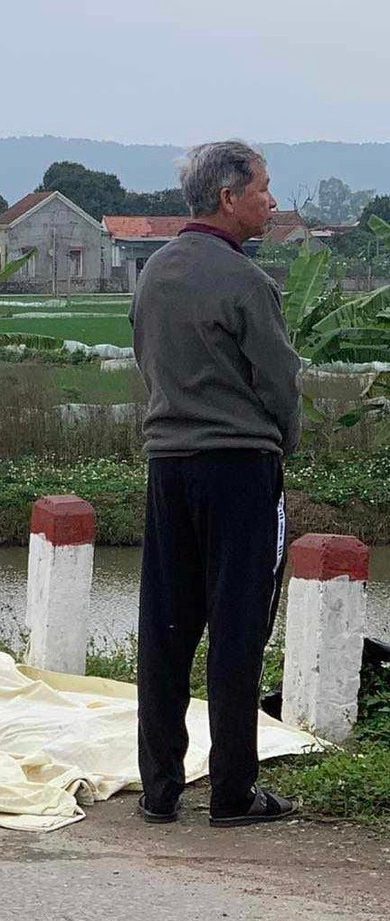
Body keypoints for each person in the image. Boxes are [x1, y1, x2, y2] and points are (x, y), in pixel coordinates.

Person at [131, 140, 302, 828]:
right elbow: (279, 381)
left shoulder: (155, 273)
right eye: (262, 187)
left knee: (166, 627)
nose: (271, 198)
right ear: (229, 197)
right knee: (237, 629)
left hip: (168, 466)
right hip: (237, 469)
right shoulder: (245, 282)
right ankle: (232, 792)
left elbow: (147, 360)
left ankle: (160, 788)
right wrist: (282, 442)